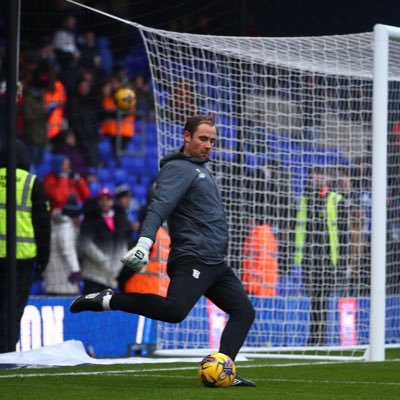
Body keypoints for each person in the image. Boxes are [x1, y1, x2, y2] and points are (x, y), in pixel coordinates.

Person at [70, 115, 256, 386]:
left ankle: (224, 370)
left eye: (212, 141)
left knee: (244, 311)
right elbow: (158, 206)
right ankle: (110, 299)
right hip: (193, 256)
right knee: (174, 311)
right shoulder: (179, 168)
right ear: (187, 137)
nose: (208, 145)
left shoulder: (199, 169)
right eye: (203, 139)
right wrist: (145, 242)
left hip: (215, 262)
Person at [0, 140, 51, 353]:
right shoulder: (32, 183)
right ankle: (6, 351)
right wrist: (43, 258)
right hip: (22, 258)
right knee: (13, 308)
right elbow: (42, 225)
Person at [294, 165, 348, 346]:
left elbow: (343, 230)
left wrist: (342, 258)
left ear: (328, 179)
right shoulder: (304, 199)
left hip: (328, 256)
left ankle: (320, 337)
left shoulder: (336, 198)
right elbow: (298, 228)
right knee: (314, 297)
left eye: (322, 175)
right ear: (310, 179)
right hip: (309, 256)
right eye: (315, 175)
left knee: (323, 297)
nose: (318, 179)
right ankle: (313, 336)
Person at [78, 188, 134, 294]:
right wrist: (104, 260)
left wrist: (117, 265)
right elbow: (85, 244)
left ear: (112, 201)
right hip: (93, 275)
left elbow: (125, 245)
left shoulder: (121, 219)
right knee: (91, 308)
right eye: (102, 200)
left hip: (112, 276)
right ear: (98, 202)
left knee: (108, 309)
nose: (105, 203)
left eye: (108, 200)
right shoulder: (89, 219)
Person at [42, 194, 82, 296]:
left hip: (53, 278)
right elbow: (67, 249)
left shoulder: (55, 223)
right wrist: (75, 269)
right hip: (63, 282)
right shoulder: (66, 226)